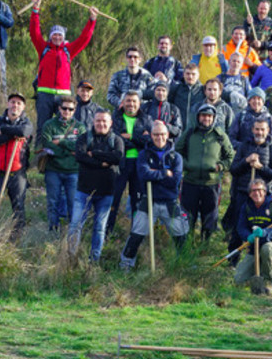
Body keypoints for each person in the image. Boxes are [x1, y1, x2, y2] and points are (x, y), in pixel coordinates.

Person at [120, 121, 189, 270]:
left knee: (181, 233)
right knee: (137, 233)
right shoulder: (144, 155)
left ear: (168, 135)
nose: (160, 137)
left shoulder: (176, 157)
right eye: (156, 134)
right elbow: (143, 175)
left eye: (163, 134)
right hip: (149, 200)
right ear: (151, 136)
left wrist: (155, 175)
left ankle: (184, 263)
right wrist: (164, 173)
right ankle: (126, 263)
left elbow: (175, 180)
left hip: (170, 201)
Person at [30, 0, 97, 142]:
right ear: (50, 36)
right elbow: (34, 32)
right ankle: (40, 156)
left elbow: (84, 39)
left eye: (60, 34)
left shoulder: (68, 50)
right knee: (42, 125)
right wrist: (35, 10)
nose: (57, 37)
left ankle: (64, 154)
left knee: (65, 126)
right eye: (54, 34)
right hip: (44, 94)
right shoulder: (43, 48)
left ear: (63, 37)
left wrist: (91, 20)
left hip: (64, 95)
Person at [68, 110, 124, 262]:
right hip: (84, 191)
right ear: (93, 121)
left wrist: (94, 153)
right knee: (75, 225)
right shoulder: (84, 138)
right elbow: (80, 156)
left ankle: (94, 260)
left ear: (110, 123)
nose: (101, 124)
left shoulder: (116, 140)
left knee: (99, 228)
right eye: (98, 120)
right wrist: (102, 163)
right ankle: (71, 258)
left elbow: (117, 157)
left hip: (106, 192)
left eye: (104, 121)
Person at [226, 120, 272, 262]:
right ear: (252, 130)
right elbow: (233, 170)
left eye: (262, 129)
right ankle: (233, 260)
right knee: (239, 227)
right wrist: (246, 161)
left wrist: (260, 167)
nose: (259, 132)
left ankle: (263, 258)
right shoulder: (244, 146)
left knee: (263, 226)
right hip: (243, 193)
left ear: (268, 130)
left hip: (263, 196)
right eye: (257, 129)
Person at [176, 104, 235, 240]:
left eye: (209, 116)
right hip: (190, 181)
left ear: (213, 118)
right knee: (188, 215)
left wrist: (220, 166)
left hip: (212, 183)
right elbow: (177, 152)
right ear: (198, 117)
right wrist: (186, 165)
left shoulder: (220, 135)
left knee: (209, 215)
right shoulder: (190, 133)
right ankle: (187, 242)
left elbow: (230, 157)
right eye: (203, 115)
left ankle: (205, 243)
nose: (206, 118)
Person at [0, 93, 33, 232]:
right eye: (12, 102)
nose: (15, 105)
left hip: (18, 173)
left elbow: (24, 131)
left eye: (18, 103)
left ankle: (17, 238)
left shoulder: (26, 123)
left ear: (23, 107)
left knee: (18, 206)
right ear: (7, 104)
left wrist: (4, 130)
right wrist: (13, 134)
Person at [106, 91, 153, 234]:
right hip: (120, 163)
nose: (131, 104)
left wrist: (131, 136)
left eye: (134, 101)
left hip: (139, 164)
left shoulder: (147, 119)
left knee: (137, 201)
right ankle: (108, 231)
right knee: (114, 199)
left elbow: (149, 141)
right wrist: (137, 140)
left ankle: (136, 232)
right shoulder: (115, 118)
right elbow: (112, 139)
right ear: (123, 102)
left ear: (139, 104)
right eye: (128, 101)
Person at [40, 95, 87, 232]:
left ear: (74, 110)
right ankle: (53, 231)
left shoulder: (80, 127)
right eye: (64, 108)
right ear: (59, 108)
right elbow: (47, 145)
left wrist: (61, 142)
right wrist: (68, 151)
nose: (67, 111)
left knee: (73, 203)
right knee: (52, 202)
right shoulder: (49, 125)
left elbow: (80, 147)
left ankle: (72, 233)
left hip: (73, 171)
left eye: (70, 109)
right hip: (53, 170)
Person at [233, 179, 272, 294]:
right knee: (238, 279)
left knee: (267, 249)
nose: (257, 193)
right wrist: (248, 236)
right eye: (253, 191)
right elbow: (241, 227)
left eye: (260, 190)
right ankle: (261, 269)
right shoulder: (246, 207)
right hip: (254, 250)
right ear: (249, 194)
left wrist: (264, 233)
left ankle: (268, 280)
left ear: (265, 191)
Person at [168, 63, 203, 129]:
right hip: (179, 129)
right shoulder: (176, 88)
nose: (190, 77)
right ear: (183, 74)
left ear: (198, 75)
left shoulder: (203, 90)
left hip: (196, 130)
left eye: (193, 74)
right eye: (188, 74)